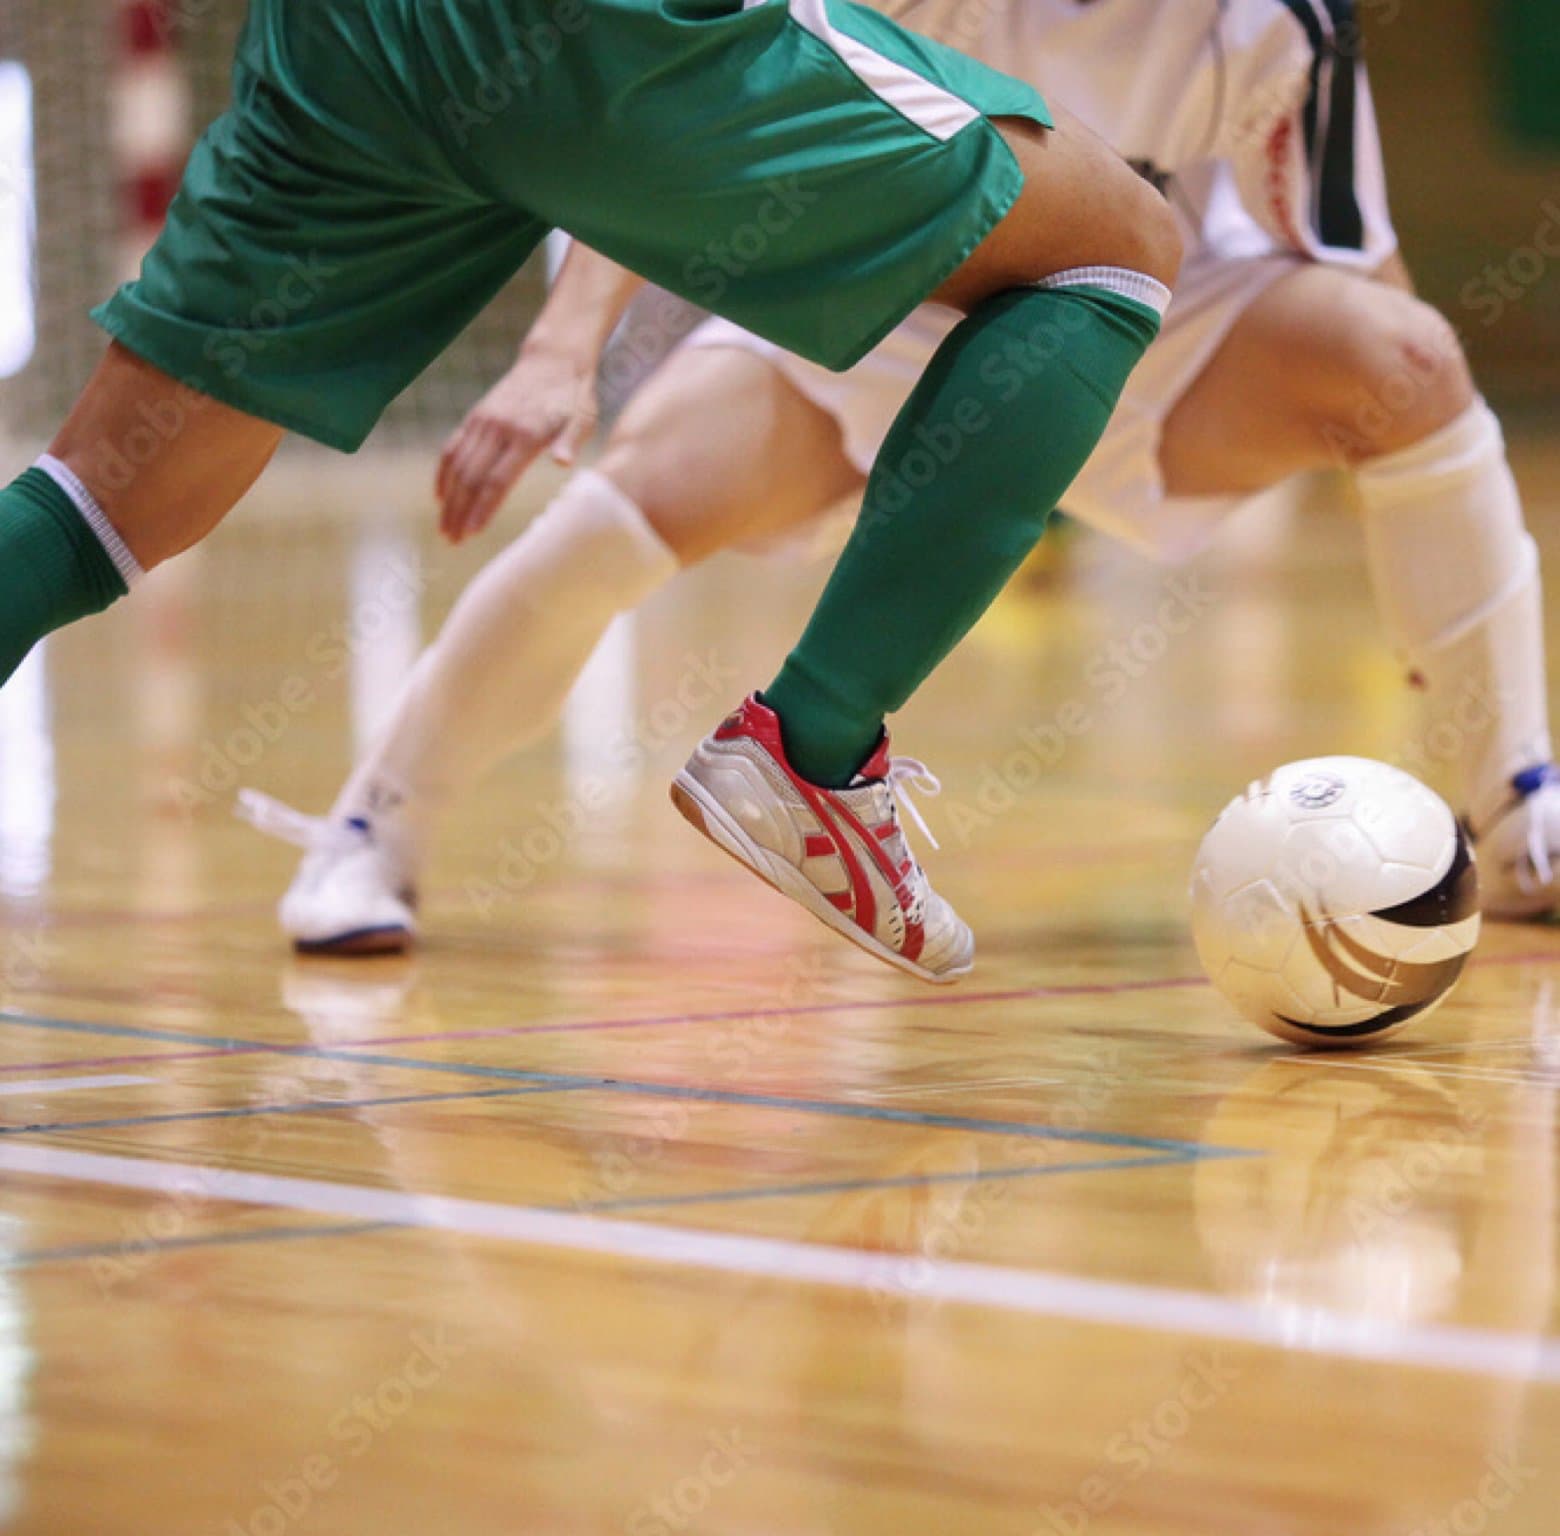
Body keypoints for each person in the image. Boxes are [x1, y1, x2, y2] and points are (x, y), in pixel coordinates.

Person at [248, 0, 1560, 965]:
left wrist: (1426, 579)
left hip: (1168, 330)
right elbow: (663, 116)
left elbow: (1355, 266)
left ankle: (1515, 811)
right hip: (894, 307)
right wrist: (557, 352)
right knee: (630, 505)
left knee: (1410, 362)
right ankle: (375, 825)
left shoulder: (1284, 22)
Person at [0, 0, 1182, 984]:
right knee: (1112, 247)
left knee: (108, 500)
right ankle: (814, 749)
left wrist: (563, 347)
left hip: (339, 42)